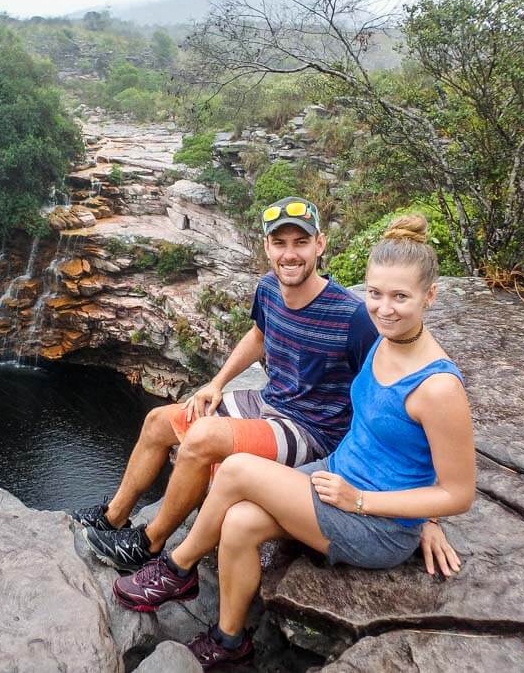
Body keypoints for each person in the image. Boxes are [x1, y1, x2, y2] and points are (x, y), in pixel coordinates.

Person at [111, 214, 476, 669]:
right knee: (240, 521)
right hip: (334, 479)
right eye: (376, 294)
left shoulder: (439, 387)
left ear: (430, 296)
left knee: (237, 469)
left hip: (374, 524)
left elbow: (458, 490)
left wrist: (410, 514)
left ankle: (176, 568)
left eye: (401, 297)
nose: (385, 308)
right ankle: (229, 641)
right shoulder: (381, 339)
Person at [73, 197, 458, 574]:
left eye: (301, 242)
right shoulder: (269, 288)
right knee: (158, 420)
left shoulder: (354, 316)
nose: (290, 255)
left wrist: (428, 518)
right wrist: (217, 382)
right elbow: (258, 335)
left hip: (313, 431)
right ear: (267, 247)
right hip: (269, 402)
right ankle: (112, 518)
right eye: (280, 243)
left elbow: (396, 401)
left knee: (203, 437)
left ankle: (147, 544)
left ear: (320, 245)